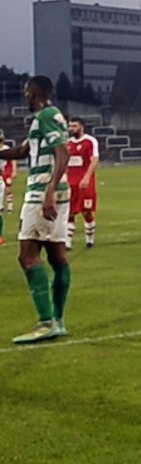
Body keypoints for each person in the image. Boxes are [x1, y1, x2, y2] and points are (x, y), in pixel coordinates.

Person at [0, 76, 73, 343]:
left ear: (33, 93)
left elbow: (62, 153)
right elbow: (22, 151)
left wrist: (49, 193)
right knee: (57, 256)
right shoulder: (48, 117)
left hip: (42, 192)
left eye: (26, 92)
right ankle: (59, 321)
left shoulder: (46, 116)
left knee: (27, 256)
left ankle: (46, 322)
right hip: (53, 192)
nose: (24, 96)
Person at [65, 117, 100, 250]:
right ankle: (68, 242)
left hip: (85, 184)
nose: (71, 128)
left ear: (81, 127)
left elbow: (94, 160)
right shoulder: (68, 143)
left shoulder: (89, 141)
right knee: (69, 212)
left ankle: (90, 240)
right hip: (70, 183)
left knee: (87, 212)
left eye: (74, 126)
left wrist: (86, 177)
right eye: (70, 126)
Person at [0, 129, 14, 214]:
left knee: (8, 188)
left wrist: (14, 170)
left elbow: (12, 160)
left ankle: (10, 207)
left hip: (6, 171)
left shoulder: (6, 148)